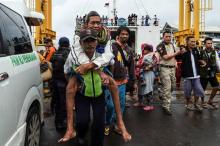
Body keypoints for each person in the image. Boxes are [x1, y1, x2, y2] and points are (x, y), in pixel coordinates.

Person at [61, 11, 131, 142]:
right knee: (81, 119)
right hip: (83, 86)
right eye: (92, 22)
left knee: (99, 123)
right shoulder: (77, 37)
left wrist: (94, 68)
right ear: (86, 24)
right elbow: (77, 59)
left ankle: (111, 130)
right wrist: (97, 69)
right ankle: (74, 131)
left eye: (98, 22)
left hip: (98, 86)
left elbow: (109, 55)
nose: (96, 25)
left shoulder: (105, 35)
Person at [105, 26, 136, 134]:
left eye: (126, 34)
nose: (124, 36)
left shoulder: (129, 50)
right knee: (110, 105)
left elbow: (132, 66)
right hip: (110, 81)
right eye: (122, 34)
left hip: (122, 81)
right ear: (118, 35)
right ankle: (107, 123)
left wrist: (133, 81)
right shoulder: (111, 47)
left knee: (121, 104)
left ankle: (118, 124)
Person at [156, 31, 181, 115]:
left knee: (172, 86)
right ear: (163, 37)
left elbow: (175, 57)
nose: (168, 38)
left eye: (169, 36)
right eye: (166, 36)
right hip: (164, 68)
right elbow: (165, 57)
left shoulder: (172, 45)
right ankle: (166, 106)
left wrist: (176, 62)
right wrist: (176, 53)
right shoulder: (160, 46)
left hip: (172, 68)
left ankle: (162, 94)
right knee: (167, 87)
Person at [181, 36, 206, 111]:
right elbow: (177, 58)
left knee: (199, 90)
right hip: (187, 76)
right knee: (187, 92)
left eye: (194, 41)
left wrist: (202, 61)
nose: (193, 43)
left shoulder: (196, 50)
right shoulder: (183, 50)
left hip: (196, 75)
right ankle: (188, 104)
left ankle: (196, 104)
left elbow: (198, 59)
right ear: (187, 42)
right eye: (191, 41)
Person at [51, 37, 70, 130]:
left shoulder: (55, 53)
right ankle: (64, 122)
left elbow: (52, 66)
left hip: (55, 81)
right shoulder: (69, 53)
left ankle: (58, 122)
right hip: (65, 82)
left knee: (57, 102)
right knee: (65, 103)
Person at [199, 37, 220, 109]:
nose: (210, 45)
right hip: (203, 73)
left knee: (216, 87)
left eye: (211, 43)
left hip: (212, 73)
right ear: (205, 44)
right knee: (202, 89)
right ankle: (202, 102)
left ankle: (210, 100)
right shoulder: (201, 52)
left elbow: (217, 62)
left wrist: (219, 69)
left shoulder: (215, 52)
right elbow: (198, 61)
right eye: (208, 43)